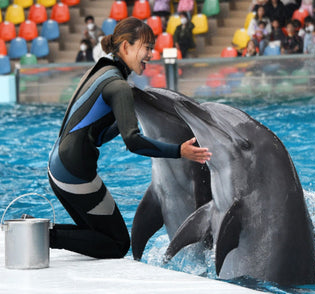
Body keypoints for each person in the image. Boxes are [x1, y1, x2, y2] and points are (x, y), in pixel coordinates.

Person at [48, 17, 211, 259]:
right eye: (146, 48)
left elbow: (98, 134)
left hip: (58, 167)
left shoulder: (102, 71)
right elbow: (133, 142)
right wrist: (179, 151)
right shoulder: (118, 85)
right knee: (117, 244)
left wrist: (128, 116)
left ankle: (35, 230)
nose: (150, 55)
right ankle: (42, 237)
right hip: (75, 173)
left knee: (96, 232)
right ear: (126, 47)